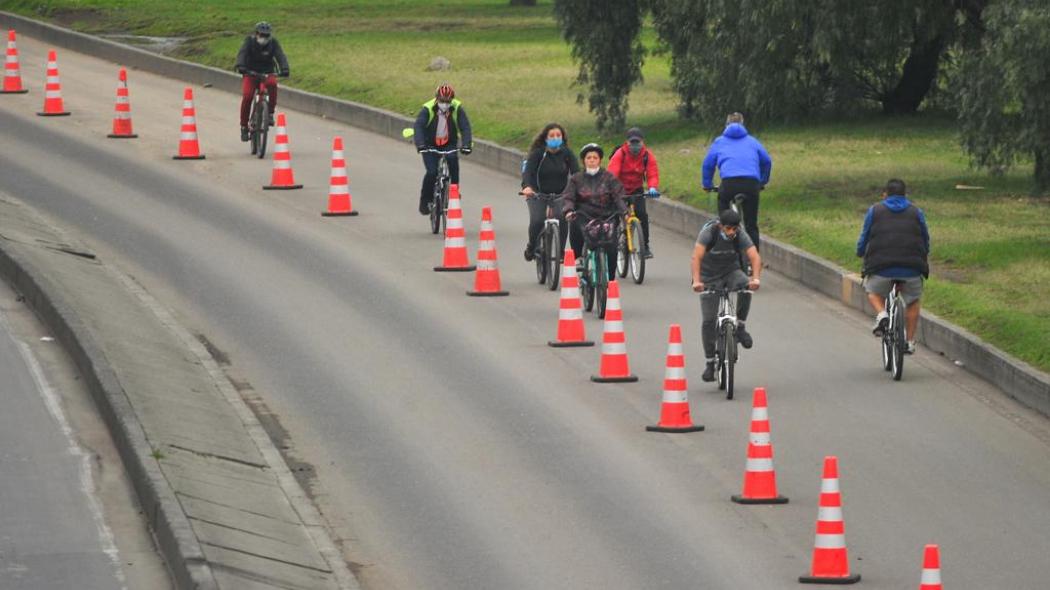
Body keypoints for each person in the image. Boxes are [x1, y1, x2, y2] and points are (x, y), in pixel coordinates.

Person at [856, 178, 930, 354]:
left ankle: (882, 314)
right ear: (905, 195)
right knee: (913, 301)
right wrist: (923, 254)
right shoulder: (916, 212)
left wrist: (860, 252)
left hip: (881, 267)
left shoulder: (875, 211)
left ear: (885, 195)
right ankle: (909, 341)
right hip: (911, 268)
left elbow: (864, 237)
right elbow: (925, 239)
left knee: (872, 291)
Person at [691, 209, 762, 382]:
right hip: (708, 276)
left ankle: (740, 327)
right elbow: (696, 258)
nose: (732, 232)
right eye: (728, 228)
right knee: (708, 320)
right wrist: (697, 281)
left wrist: (756, 279)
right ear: (720, 226)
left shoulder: (740, 234)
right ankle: (709, 363)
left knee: (746, 288)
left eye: (735, 229)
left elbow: (754, 256)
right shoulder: (708, 233)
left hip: (731, 271)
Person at [701, 112, 772, 250]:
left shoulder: (719, 141)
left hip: (729, 183)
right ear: (743, 124)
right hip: (751, 184)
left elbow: (708, 165)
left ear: (726, 125)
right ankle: (753, 260)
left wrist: (707, 185)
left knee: (723, 208)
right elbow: (767, 161)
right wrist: (762, 181)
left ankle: (725, 241)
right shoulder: (752, 141)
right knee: (751, 223)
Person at [562, 143, 628, 281]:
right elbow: (569, 197)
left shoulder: (609, 178)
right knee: (574, 222)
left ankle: (610, 279)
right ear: (584, 160)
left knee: (612, 247)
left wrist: (624, 212)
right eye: (588, 157)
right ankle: (579, 257)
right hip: (584, 216)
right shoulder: (576, 179)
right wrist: (568, 210)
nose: (592, 160)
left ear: (600, 160)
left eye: (595, 157)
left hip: (606, 217)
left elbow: (618, 196)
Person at [520, 123, 580, 262]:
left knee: (563, 217)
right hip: (537, 194)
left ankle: (560, 251)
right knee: (537, 220)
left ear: (563, 137)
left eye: (558, 135)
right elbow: (528, 172)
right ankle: (532, 246)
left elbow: (576, 173)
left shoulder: (567, 153)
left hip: (560, 194)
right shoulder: (538, 154)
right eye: (552, 136)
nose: (555, 138)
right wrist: (527, 187)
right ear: (545, 138)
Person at [413, 84, 473, 215]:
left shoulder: (457, 108)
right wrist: (421, 145)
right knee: (432, 172)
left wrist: (467, 145)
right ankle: (425, 200)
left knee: (453, 162)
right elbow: (419, 127)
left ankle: (454, 192)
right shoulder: (428, 109)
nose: (445, 104)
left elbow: (465, 127)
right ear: (436, 99)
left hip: (449, 143)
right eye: (442, 101)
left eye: (447, 101)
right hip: (430, 145)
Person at [608, 127, 661, 259]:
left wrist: (652, 187)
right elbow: (612, 173)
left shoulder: (647, 156)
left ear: (642, 142)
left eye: (638, 142)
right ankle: (612, 244)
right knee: (614, 216)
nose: (635, 145)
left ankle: (646, 247)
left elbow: (652, 173)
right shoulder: (620, 154)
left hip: (637, 190)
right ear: (627, 142)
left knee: (642, 215)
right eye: (632, 142)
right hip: (619, 190)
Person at [235, 22, 290, 142]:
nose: (263, 38)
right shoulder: (249, 42)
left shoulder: (273, 43)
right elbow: (242, 54)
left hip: (267, 72)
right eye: (261, 35)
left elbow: (280, 56)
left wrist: (285, 68)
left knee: (272, 84)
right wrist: (241, 66)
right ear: (256, 34)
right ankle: (244, 126)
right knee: (248, 96)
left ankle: (269, 112)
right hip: (250, 72)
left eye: (266, 35)